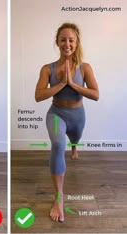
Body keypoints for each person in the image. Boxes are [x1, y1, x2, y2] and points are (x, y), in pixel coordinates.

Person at [35, 22, 99, 223]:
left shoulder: (85, 67)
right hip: (56, 114)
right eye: (63, 40)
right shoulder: (48, 69)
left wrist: (73, 84)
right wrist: (62, 83)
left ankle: (74, 147)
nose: (67, 43)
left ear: (77, 42)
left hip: (77, 114)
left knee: (75, 138)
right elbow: (38, 96)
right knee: (57, 144)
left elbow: (96, 94)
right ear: (57, 42)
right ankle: (59, 198)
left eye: (71, 40)